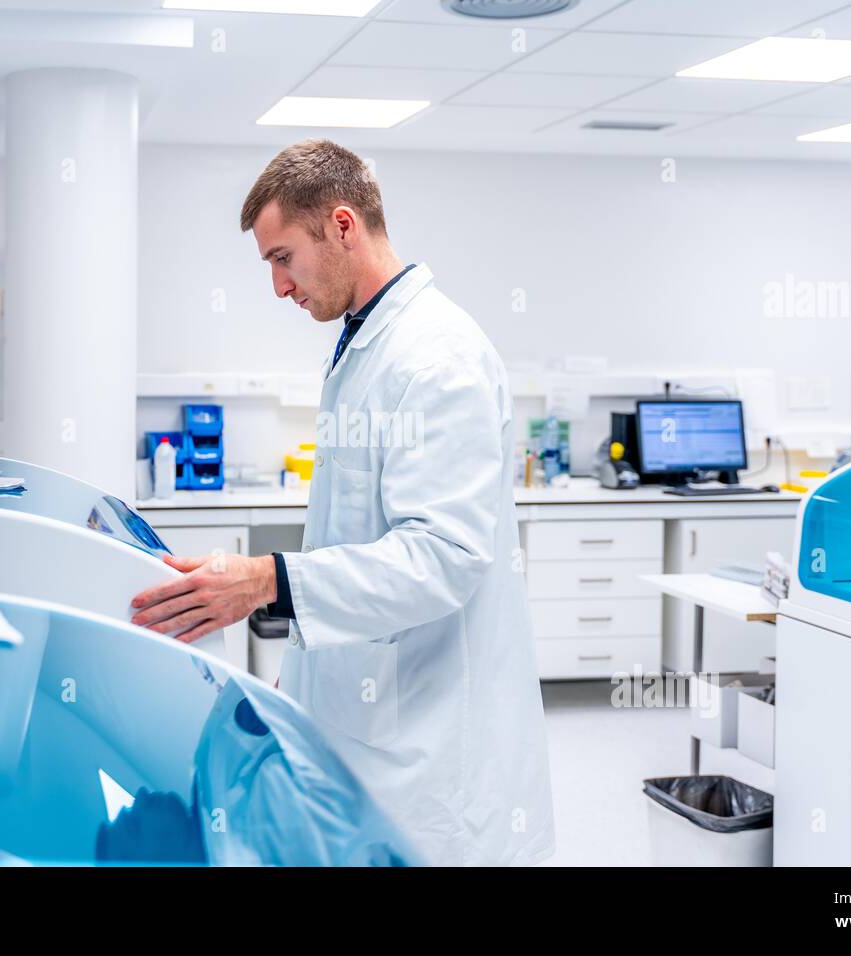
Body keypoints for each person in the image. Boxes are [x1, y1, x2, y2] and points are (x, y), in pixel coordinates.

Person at [130, 139, 553, 865]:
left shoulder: (436, 356)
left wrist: (268, 580)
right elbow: (353, 540)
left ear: (343, 225)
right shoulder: (366, 342)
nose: (279, 288)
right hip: (366, 718)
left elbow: (441, 559)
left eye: (282, 258)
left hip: (430, 748)